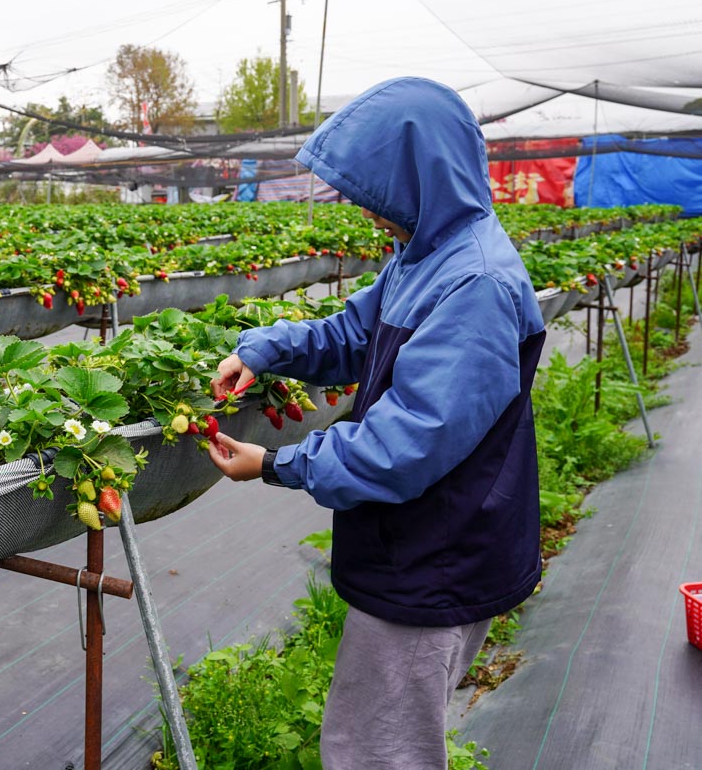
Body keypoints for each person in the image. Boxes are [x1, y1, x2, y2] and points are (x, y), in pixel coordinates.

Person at [207, 77, 546, 770]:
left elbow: (406, 444)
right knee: (382, 741)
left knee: (381, 752)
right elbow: (353, 336)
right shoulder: (427, 256)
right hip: (423, 539)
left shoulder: (474, 282)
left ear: (420, 179)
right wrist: (262, 349)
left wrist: (276, 464)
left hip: (440, 551)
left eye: (375, 197)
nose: (367, 214)